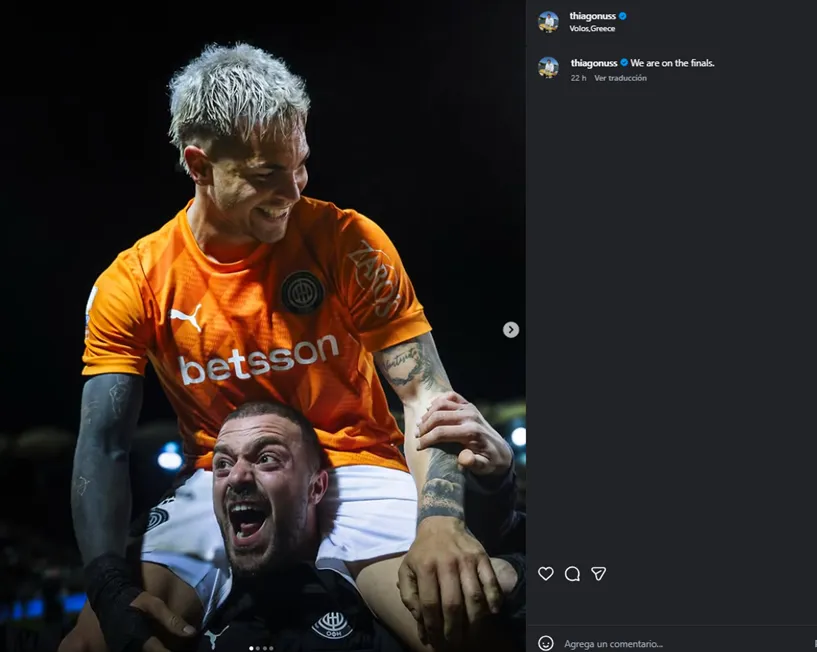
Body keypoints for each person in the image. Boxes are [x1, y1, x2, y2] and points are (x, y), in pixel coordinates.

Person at [61, 43, 505, 652]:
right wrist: (107, 589)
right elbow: (103, 447)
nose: (293, 190)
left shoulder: (348, 241)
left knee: (453, 618)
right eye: (267, 173)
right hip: (225, 483)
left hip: (355, 465)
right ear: (199, 165)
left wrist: (440, 522)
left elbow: (425, 396)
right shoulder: (134, 281)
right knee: (97, 643)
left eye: (300, 165)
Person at [192, 399, 525, 651]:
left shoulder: (382, 598)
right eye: (223, 464)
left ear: (316, 488)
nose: (237, 476)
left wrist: (510, 572)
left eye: (267, 459)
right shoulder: (187, 606)